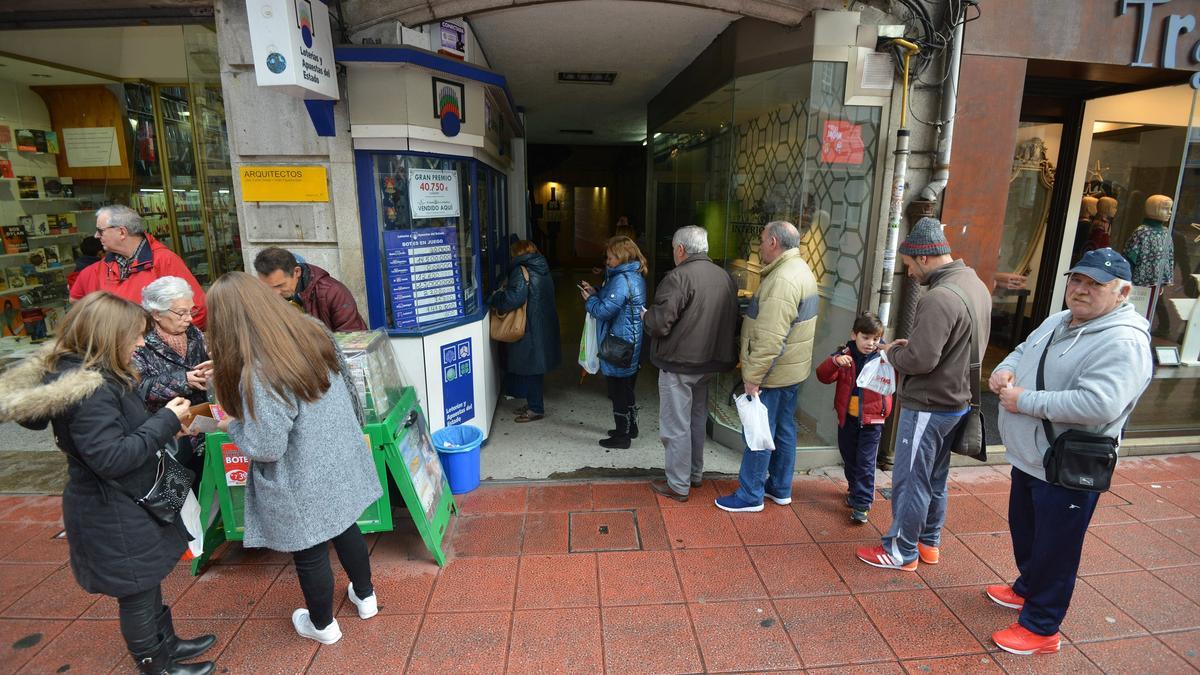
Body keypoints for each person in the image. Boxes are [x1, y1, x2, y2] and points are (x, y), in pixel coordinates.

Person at [0, 293, 215, 675]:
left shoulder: (91, 375)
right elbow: (110, 458)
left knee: (146, 580)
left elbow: (117, 436)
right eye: (134, 335)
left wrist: (166, 427)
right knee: (136, 589)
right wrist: (164, 419)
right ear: (108, 335)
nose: (139, 343)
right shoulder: (92, 390)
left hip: (124, 501)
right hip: (113, 505)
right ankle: (156, 664)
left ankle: (168, 645)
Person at [985, 248, 1151, 655]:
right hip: (1033, 456)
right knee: (1027, 531)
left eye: (1095, 284)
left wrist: (1026, 400)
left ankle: (1042, 627)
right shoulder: (1060, 319)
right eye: (1076, 280)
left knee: (1057, 547)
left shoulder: (1123, 341)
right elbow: (1025, 349)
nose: (1081, 290)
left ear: (1123, 291)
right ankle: (1028, 587)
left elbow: (1099, 405)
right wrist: (1004, 369)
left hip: (1068, 464)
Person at [207, 272, 381, 645]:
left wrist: (231, 427)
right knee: (346, 525)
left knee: (310, 549)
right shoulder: (311, 328)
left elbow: (267, 447)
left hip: (300, 470)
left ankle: (323, 625)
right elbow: (350, 390)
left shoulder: (259, 369)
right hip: (337, 451)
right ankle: (366, 598)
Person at [857, 217, 991, 571]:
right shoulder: (974, 285)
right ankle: (929, 543)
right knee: (935, 477)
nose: (910, 273)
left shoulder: (939, 298)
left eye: (909, 265)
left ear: (925, 257)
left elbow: (920, 359)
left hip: (929, 404)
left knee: (911, 480)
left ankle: (901, 551)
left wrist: (892, 353)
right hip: (957, 401)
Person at [715, 221, 818, 512]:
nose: (760, 246)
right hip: (791, 371)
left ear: (774, 242)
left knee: (759, 432)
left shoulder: (782, 280)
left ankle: (750, 494)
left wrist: (752, 377)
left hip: (773, 373)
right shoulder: (800, 270)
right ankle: (780, 487)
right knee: (784, 429)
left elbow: (770, 338)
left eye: (762, 240)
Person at [645, 226, 739, 502]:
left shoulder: (678, 277)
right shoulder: (725, 277)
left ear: (680, 250)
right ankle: (694, 475)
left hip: (680, 363)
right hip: (710, 362)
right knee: (697, 420)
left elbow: (660, 324)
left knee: (675, 425)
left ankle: (677, 484)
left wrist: (645, 316)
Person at [69, 205, 208, 330]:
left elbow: (197, 310)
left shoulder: (164, 261)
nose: (96, 235)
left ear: (122, 232)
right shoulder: (98, 269)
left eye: (100, 230)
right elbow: (76, 300)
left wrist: (168, 346)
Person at [815, 312, 893, 524]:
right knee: (849, 456)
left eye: (875, 339)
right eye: (865, 337)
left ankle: (862, 504)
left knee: (866, 462)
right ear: (854, 335)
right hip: (848, 417)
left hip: (872, 420)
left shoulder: (883, 357)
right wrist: (835, 362)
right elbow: (823, 376)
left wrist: (893, 352)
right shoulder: (845, 354)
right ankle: (854, 489)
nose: (870, 343)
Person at [132, 276, 212, 478]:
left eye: (191, 310)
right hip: (167, 434)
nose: (190, 318)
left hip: (201, 426)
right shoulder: (140, 342)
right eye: (181, 313)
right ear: (157, 314)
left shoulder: (194, 334)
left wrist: (214, 367)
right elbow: (138, 388)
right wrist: (183, 380)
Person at [581, 236, 648, 449]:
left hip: (619, 344)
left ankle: (622, 436)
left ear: (621, 257)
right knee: (626, 388)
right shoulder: (633, 275)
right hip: (631, 341)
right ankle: (631, 428)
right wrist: (597, 292)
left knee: (618, 390)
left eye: (610, 257)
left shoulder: (621, 279)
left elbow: (604, 310)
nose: (607, 261)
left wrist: (589, 300)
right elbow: (615, 301)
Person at [489, 240, 561, 422]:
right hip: (541, 324)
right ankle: (533, 403)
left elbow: (514, 298)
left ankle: (535, 408)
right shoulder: (541, 267)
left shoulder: (520, 270)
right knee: (534, 367)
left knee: (530, 368)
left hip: (529, 326)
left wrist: (496, 297)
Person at [253, 247, 367, 332]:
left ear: (297, 272)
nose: (275, 293)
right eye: (267, 287)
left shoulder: (333, 291)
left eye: (280, 285)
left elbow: (352, 338)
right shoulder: (266, 296)